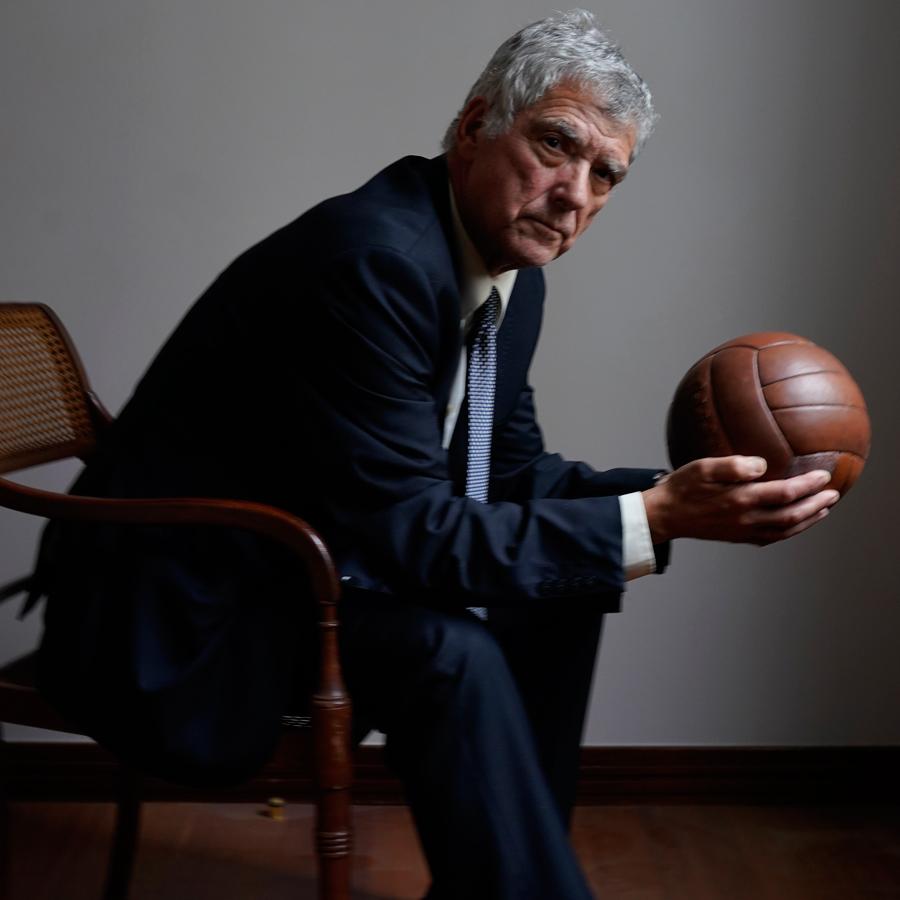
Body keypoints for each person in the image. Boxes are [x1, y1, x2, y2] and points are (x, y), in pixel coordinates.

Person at [32, 10, 839, 899]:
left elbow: (510, 474)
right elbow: (411, 533)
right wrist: (653, 518)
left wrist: (680, 501)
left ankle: (502, 880)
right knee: (451, 650)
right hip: (174, 617)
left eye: (605, 173)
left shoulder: (507, 275)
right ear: (475, 127)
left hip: (294, 566)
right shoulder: (372, 262)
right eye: (556, 145)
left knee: (569, 588)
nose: (573, 193)